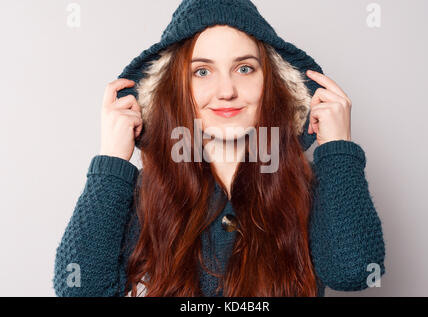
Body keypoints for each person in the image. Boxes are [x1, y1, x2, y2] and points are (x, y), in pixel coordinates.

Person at [53, 0, 386, 297]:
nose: (226, 90)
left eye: (244, 68)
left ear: (272, 82)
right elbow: (79, 287)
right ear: (175, 89)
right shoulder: (145, 193)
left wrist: (339, 150)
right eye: (202, 71)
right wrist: (112, 159)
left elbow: (355, 272)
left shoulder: (312, 188)